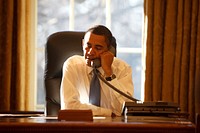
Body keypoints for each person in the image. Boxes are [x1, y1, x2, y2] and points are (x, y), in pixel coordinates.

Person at [60, 25, 134, 117]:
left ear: (109, 50)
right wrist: (107, 113)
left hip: (113, 127)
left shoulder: (123, 69)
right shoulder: (72, 65)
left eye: (98, 48)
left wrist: (109, 73)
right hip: (80, 126)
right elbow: (69, 107)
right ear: (83, 44)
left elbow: (124, 109)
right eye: (88, 46)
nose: (90, 52)